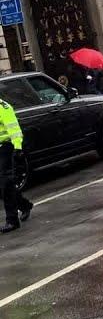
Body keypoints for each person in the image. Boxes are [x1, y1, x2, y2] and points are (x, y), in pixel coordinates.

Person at [0, 97, 33, 233]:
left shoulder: (3, 107)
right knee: (2, 186)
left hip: (4, 148)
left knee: (6, 184)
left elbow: (13, 128)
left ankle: (12, 220)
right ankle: (24, 205)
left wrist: (17, 147)